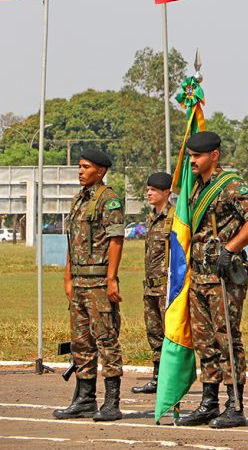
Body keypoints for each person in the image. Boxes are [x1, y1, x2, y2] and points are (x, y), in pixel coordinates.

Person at [175, 132, 248, 429]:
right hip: (199, 274)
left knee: (226, 337)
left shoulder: (230, 185)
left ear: (213, 155)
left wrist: (231, 248)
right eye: (190, 156)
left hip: (224, 275)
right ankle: (209, 402)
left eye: (197, 156)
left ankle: (234, 404)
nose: (192, 161)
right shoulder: (194, 188)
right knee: (205, 341)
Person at [53, 149, 125, 421]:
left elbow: (116, 239)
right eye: (80, 166)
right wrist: (68, 276)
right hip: (80, 282)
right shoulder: (78, 200)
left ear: (101, 171)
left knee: (106, 340)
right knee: (81, 342)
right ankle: (84, 399)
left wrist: (111, 278)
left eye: (86, 167)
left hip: (98, 282)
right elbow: (73, 242)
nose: (80, 171)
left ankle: (112, 402)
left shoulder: (109, 200)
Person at [132, 172, 174, 394]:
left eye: (154, 190)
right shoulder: (151, 218)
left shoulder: (174, 218)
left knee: (170, 334)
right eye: (148, 189)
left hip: (167, 287)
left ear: (166, 192)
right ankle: (157, 377)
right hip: (150, 286)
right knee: (154, 333)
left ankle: (170, 378)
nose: (148, 193)